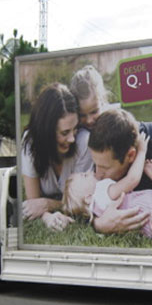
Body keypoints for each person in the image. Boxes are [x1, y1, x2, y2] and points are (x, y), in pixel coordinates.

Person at [62, 128, 152, 238]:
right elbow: (132, 180)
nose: (92, 171)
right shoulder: (102, 194)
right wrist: (142, 151)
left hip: (151, 224)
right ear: (88, 198)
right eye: (85, 175)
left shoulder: (100, 212)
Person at [20, 83, 93, 230]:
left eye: (75, 129)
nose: (72, 139)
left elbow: (80, 202)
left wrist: (48, 204)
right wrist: (47, 217)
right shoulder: (30, 144)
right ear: (46, 131)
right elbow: (33, 202)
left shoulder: (84, 142)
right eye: (65, 133)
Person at [69, 65, 111, 131]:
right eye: (82, 115)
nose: (89, 121)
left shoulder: (115, 122)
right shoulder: (78, 134)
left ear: (103, 101)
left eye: (94, 112)